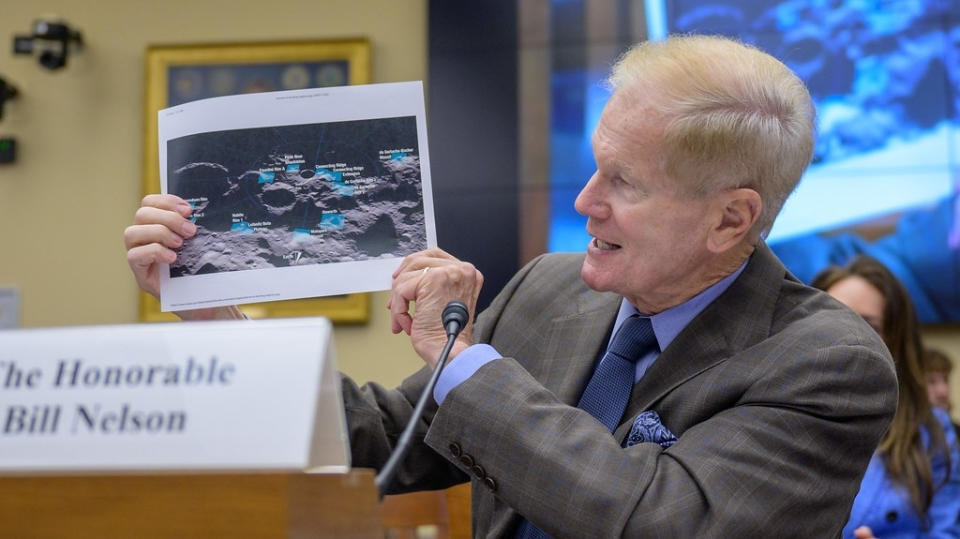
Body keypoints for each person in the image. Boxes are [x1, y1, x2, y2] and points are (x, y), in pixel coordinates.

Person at [125, 35, 898, 537]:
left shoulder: (829, 363)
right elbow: (382, 438)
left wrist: (463, 362)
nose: (585, 201)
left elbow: (655, 520)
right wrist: (214, 310)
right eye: (596, 163)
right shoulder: (551, 290)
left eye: (623, 182)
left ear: (731, 219)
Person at [812, 256, 960, 538]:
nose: (846, 338)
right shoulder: (777, 413)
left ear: (895, 339)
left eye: (868, 325)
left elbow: (944, 531)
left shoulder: (932, 431)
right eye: (832, 320)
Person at [922, 347, 960, 440]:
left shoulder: (957, 432)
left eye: (945, 380)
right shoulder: (906, 438)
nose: (943, 391)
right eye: (931, 381)